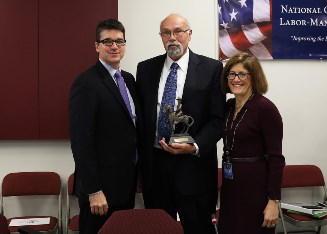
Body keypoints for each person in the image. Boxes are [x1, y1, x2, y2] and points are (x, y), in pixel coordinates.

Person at [136, 13, 226, 234]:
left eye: (178, 31)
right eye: (166, 33)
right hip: (155, 168)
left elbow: (217, 119)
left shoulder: (212, 69)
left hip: (193, 168)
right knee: (158, 229)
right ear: (161, 37)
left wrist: (195, 146)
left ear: (189, 34)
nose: (172, 38)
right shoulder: (145, 69)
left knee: (198, 228)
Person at [69, 19, 142, 234]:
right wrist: (93, 190)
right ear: (96, 46)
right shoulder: (86, 83)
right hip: (100, 191)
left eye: (119, 41)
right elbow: (81, 141)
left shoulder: (128, 80)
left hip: (126, 185)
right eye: (107, 41)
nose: (114, 46)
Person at [218, 52, 285, 234]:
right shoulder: (229, 106)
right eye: (232, 74)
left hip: (256, 190)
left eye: (242, 74)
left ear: (253, 77)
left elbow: (276, 158)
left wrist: (273, 201)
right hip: (231, 187)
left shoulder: (265, 108)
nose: (236, 79)